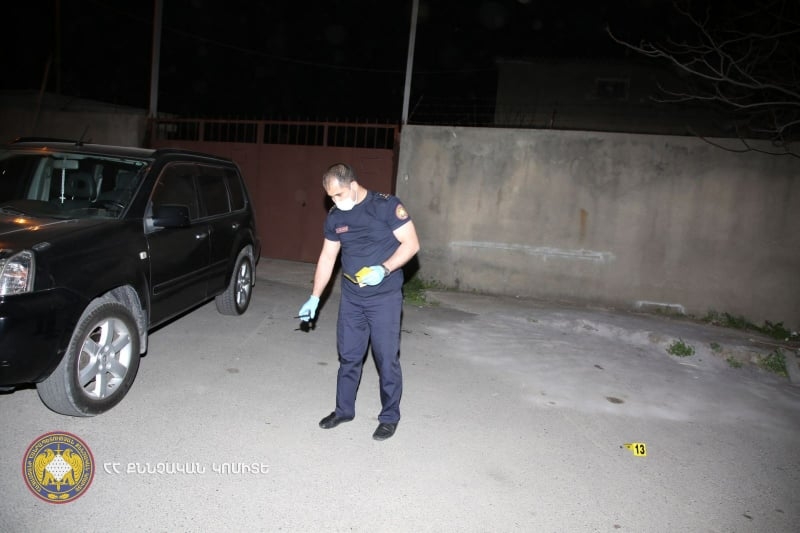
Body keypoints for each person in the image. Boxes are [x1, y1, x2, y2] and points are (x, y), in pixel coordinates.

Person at [298, 163, 420, 441]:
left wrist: (384, 269)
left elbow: (411, 244)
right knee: (349, 357)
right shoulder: (335, 217)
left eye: (339, 195)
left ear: (353, 186)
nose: (335, 201)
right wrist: (315, 296)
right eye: (330, 197)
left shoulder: (386, 206)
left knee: (386, 359)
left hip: (384, 299)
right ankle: (344, 410)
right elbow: (328, 257)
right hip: (352, 299)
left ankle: (389, 417)